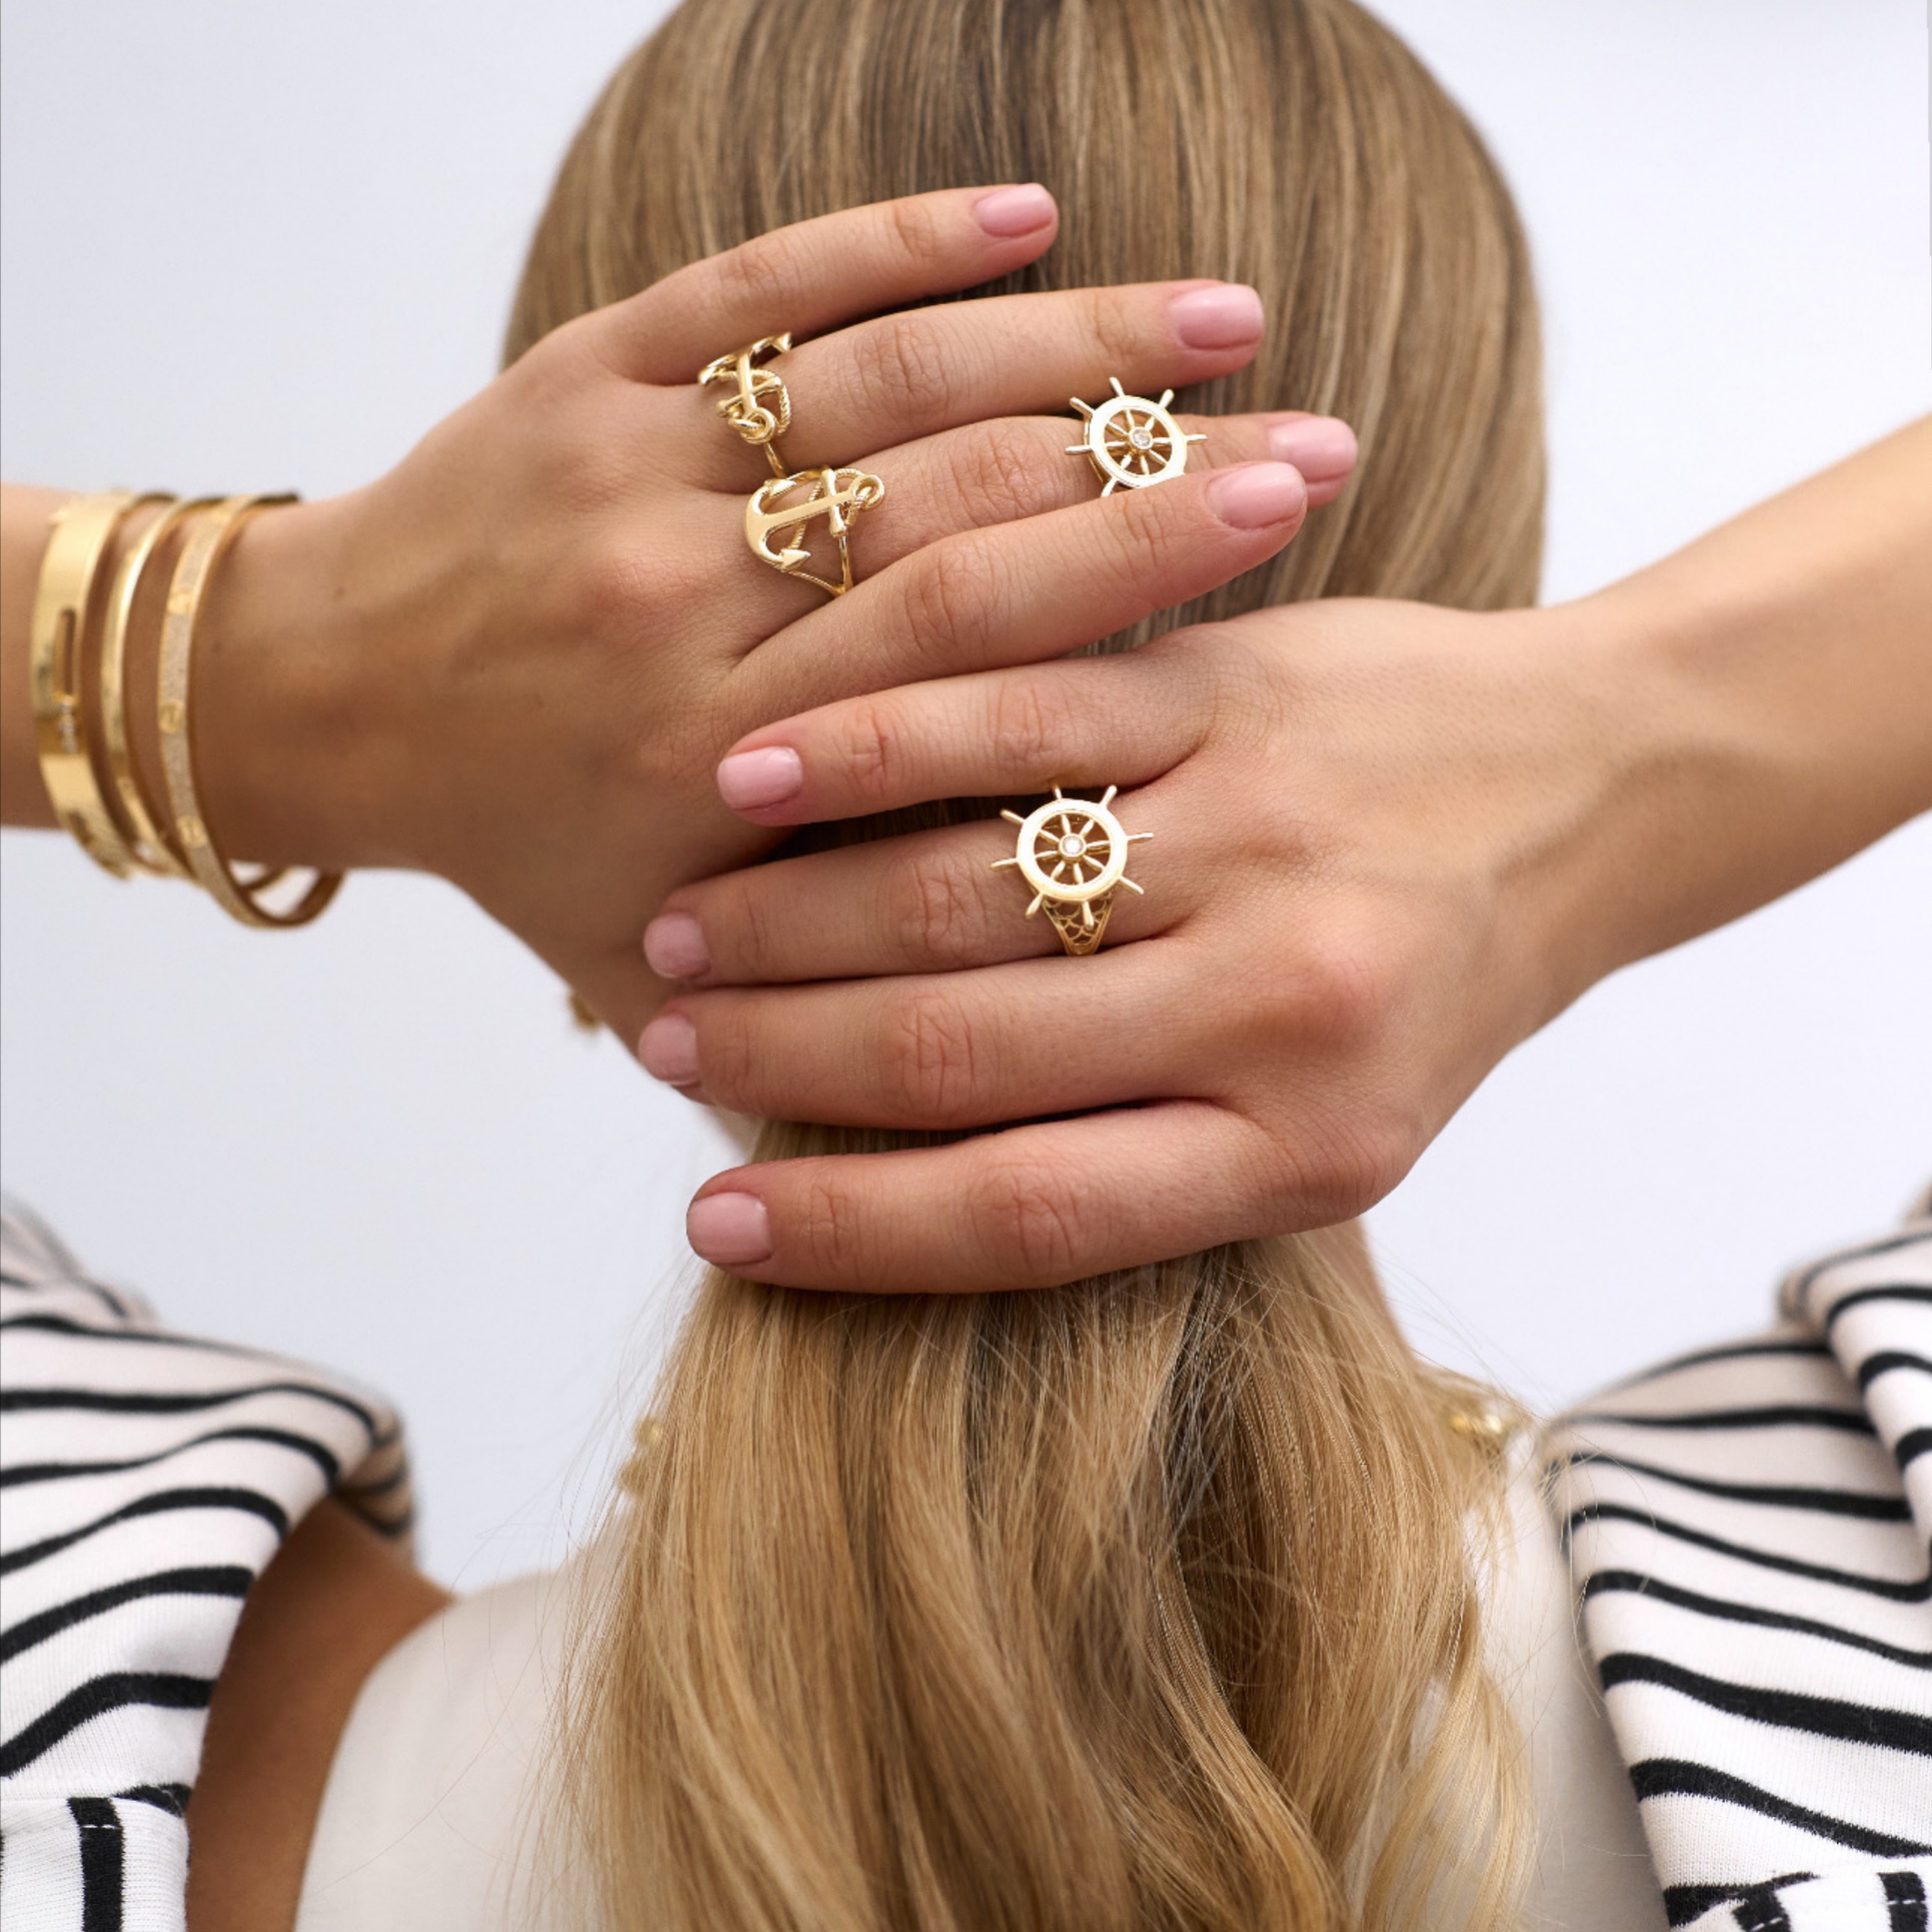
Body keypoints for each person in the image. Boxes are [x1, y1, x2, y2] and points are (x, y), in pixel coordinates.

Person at [1, 4, 1926, 1932]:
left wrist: (261, 659)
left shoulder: (112, 1721)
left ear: (534, 714)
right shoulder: (1874, 1597)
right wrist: (1635, 736)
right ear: (1482, 601)